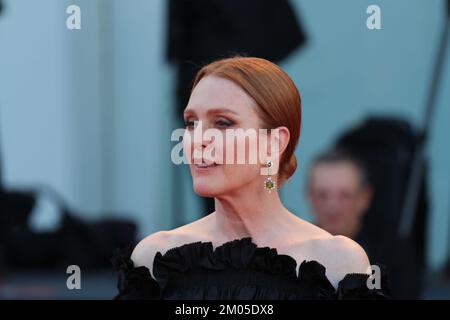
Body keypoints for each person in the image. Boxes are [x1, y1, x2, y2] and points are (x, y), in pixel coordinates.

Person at [111, 56, 390, 299]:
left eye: (222, 122)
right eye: (191, 123)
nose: (197, 140)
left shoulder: (337, 263)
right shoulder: (156, 260)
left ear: (274, 143)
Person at [307, 150, 373, 242]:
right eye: (322, 195)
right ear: (310, 197)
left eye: (345, 196)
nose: (332, 205)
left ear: (364, 198)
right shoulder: (291, 250)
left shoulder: (392, 252)